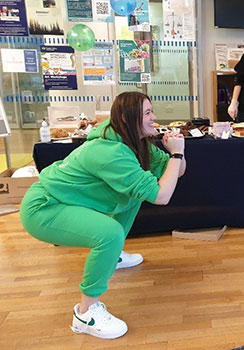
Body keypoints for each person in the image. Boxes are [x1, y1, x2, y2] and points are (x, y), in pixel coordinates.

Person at [19, 92, 186, 339]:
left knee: (132, 198)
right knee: (109, 234)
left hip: (65, 200)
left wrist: (176, 151)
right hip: (44, 207)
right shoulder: (111, 151)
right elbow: (162, 196)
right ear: (125, 118)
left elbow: (177, 172)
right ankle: (85, 314)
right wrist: (176, 154)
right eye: (148, 113)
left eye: (152, 111)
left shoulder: (133, 139)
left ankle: (113, 257)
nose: (154, 118)